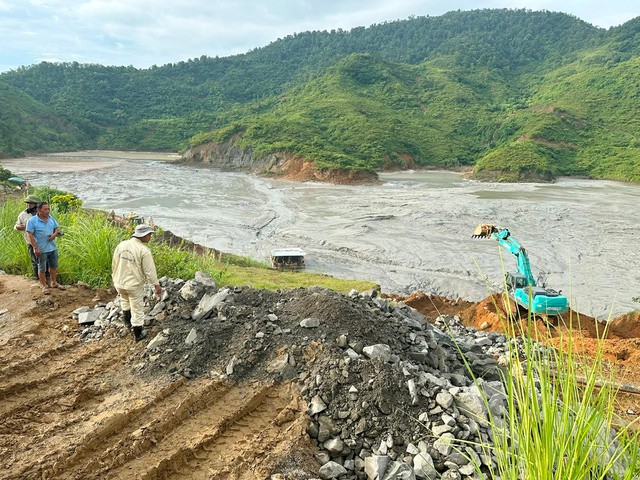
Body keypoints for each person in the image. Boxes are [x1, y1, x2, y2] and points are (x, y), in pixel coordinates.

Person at [112, 224, 162, 342]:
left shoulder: (121, 245)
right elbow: (150, 272)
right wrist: (156, 285)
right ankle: (138, 333)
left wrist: (114, 278)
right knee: (137, 308)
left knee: (124, 300)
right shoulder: (144, 251)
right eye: (149, 234)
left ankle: (127, 323)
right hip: (133, 285)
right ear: (143, 235)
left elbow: (114, 263)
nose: (150, 237)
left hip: (119, 282)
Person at [25, 201, 65, 294]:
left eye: (48, 209)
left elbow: (56, 228)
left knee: (53, 266)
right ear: (39, 210)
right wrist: (36, 248)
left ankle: (54, 283)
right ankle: (43, 285)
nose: (47, 211)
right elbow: (30, 236)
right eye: (45, 209)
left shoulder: (51, 218)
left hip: (52, 248)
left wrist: (54, 234)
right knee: (42, 268)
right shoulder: (32, 221)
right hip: (41, 249)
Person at [14, 194, 50, 283]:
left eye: (31, 204)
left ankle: (47, 278)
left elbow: (50, 224)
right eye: (28, 203)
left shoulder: (42, 214)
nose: (29, 205)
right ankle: (38, 279)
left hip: (43, 241)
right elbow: (16, 226)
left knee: (45, 260)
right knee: (35, 261)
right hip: (30, 241)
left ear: (37, 205)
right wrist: (21, 226)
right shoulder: (23, 214)